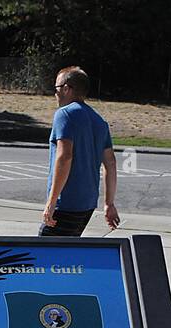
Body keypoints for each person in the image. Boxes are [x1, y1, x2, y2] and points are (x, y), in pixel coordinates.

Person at [41, 67, 120, 237]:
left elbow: (65, 157)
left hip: (67, 203)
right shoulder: (99, 121)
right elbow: (111, 163)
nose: (55, 94)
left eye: (56, 89)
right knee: (65, 255)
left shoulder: (64, 115)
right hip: (87, 204)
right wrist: (109, 204)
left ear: (67, 89)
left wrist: (52, 202)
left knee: (44, 257)